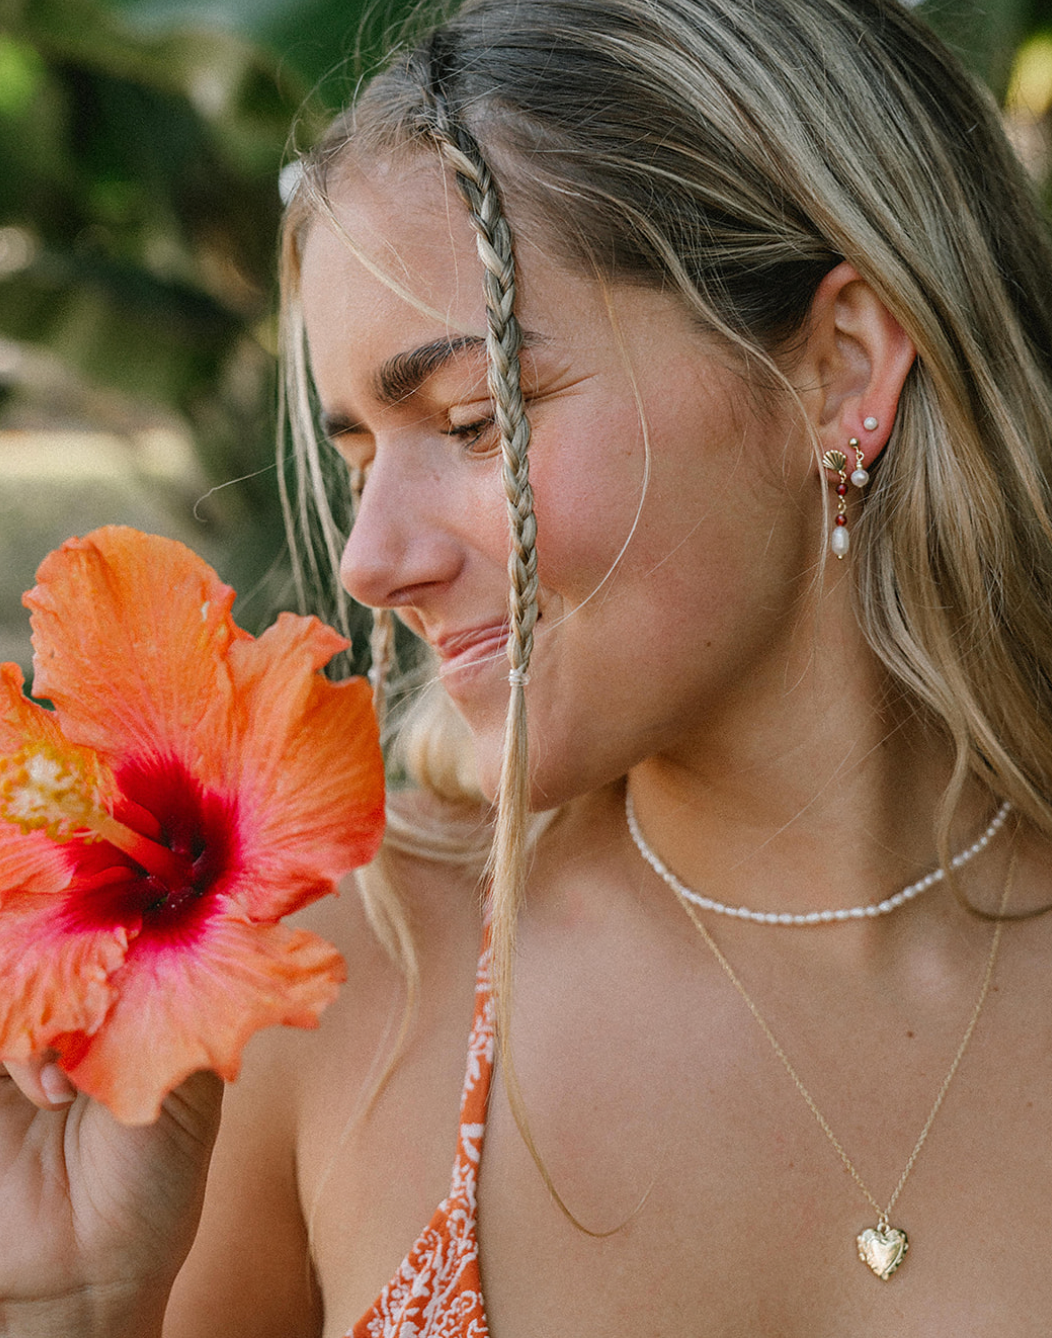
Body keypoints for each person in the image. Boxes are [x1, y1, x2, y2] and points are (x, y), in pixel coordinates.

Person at [4, 0, 1052, 1333]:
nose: (372, 559)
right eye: (358, 458)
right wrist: (73, 1309)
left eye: (471, 418)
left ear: (837, 369)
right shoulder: (318, 1002)